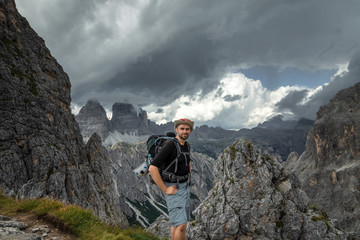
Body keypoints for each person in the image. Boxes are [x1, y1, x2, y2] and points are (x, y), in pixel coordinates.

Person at [149, 118, 194, 240]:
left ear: (191, 130)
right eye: (182, 129)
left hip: (185, 186)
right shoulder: (170, 145)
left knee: (177, 223)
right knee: (181, 225)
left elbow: (187, 161)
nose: (185, 131)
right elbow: (152, 168)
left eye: (187, 129)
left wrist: (188, 178)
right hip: (173, 187)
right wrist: (165, 189)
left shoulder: (186, 145)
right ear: (176, 130)